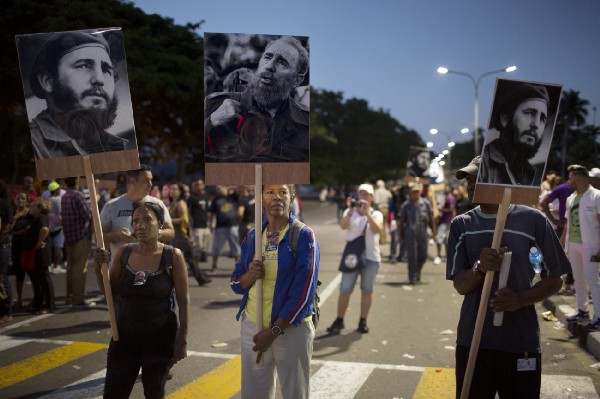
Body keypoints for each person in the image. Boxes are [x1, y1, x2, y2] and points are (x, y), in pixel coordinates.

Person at [447, 156, 570, 398]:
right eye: (469, 180)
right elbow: (460, 285)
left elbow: (555, 278)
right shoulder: (461, 225)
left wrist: (520, 300)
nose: (470, 185)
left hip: (520, 343)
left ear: (499, 182)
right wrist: (480, 268)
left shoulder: (533, 220)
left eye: (477, 180)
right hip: (473, 342)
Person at [230, 184, 319, 399]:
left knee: (294, 392)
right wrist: (250, 276)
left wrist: (274, 332)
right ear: (261, 199)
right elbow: (235, 283)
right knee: (254, 393)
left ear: (292, 198)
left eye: (283, 192)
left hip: (290, 329)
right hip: (253, 325)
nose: (276, 197)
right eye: (270, 192)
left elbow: (303, 294)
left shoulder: (304, 235)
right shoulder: (252, 237)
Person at [93, 201, 189, 398]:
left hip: (160, 337)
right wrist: (97, 267)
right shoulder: (124, 253)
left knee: (153, 391)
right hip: (124, 335)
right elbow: (109, 294)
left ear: (160, 223)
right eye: (135, 220)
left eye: (147, 219)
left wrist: (182, 341)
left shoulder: (173, 256)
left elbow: (184, 302)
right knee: (114, 392)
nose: (140, 225)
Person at [27, 31, 133, 158]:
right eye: (83, 66)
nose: (100, 79)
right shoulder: (32, 144)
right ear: (48, 81)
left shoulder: (118, 146)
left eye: (106, 70)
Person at [205, 36, 309, 163]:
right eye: (267, 57)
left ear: (297, 80)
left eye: (282, 62)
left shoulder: (306, 122)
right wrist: (211, 122)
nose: (269, 66)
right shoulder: (214, 105)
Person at [327, 183, 383, 334]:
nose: (363, 197)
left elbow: (377, 229)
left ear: (372, 197)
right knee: (345, 289)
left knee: (367, 290)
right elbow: (343, 226)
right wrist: (351, 210)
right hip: (352, 256)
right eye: (361, 194)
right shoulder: (349, 212)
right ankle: (339, 320)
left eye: (366, 194)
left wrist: (367, 214)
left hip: (371, 257)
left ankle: (362, 321)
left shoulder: (376, 214)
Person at [479, 83, 550, 186]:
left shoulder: (531, 173)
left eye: (542, 119)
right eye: (529, 113)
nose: (536, 124)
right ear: (505, 119)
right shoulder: (482, 164)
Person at [100, 165, 175, 257]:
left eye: (151, 180)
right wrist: (117, 235)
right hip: (121, 268)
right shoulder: (111, 206)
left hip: (151, 266)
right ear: (132, 182)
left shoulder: (157, 204)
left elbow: (171, 232)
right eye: (146, 181)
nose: (151, 184)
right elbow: (98, 237)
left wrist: (155, 233)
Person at [561, 165, 600, 330]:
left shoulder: (596, 196)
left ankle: (598, 316)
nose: (569, 181)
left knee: (593, 280)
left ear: (579, 178)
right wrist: (562, 241)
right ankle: (582, 310)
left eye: (571, 178)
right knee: (578, 279)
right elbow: (567, 223)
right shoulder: (571, 198)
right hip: (575, 244)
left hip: (591, 245)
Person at [168, 183, 210, 286]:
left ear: (180, 192)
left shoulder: (181, 203)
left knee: (175, 258)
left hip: (181, 236)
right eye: (171, 189)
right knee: (189, 258)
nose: (172, 191)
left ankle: (172, 279)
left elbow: (184, 220)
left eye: (175, 189)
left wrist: (169, 221)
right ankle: (200, 278)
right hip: (177, 236)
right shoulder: (174, 203)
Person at [61, 176, 93, 307]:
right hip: (81, 236)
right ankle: (78, 299)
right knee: (80, 269)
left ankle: (69, 297)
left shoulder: (65, 196)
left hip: (69, 237)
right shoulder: (78, 196)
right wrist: (92, 207)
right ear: (76, 181)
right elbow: (87, 215)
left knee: (71, 268)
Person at [23, 198, 55, 314]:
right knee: (38, 279)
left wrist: (38, 243)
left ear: (39, 208)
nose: (31, 207)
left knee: (44, 278)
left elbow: (44, 229)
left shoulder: (41, 217)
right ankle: (38, 303)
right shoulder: (35, 218)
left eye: (33, 206)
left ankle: (49, 305)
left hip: (41, 253)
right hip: (37, 253)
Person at [398, 183, 433, 284]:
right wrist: (400, 237)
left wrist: (434, 231)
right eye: (413, 192)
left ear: (420, 192)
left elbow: (431, 218)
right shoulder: (406, 205)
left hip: (423, 233)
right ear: (410, 193)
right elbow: (401, 222)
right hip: (410, 234)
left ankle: (417, 272)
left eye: (417, 192)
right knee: (412, 257)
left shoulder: (425, 203)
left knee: (423, 256)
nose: (415, 194)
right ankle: (412, 277)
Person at [209, 185, 242, 270]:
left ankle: (238, 265)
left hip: (232, 226)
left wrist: (228, 188)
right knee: (216, 247)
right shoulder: (215, 199)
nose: (218, 190)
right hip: (220, 227)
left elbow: (238, 188)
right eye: (217, 189)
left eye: (220, 188)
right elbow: (211, 213)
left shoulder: (233, 197)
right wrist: (210, 225)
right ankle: (214, 264)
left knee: (235, 248)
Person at [10, 192, 31, 309]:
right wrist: (15, 218)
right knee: (19, 274)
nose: (20, 200)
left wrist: (15, 233)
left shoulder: (30, 212)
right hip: (16, 245)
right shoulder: (13, 213)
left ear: (27, 200)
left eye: (22, 198)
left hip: (27, 246)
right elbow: (8, 229)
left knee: (32, 273)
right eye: (18, 198)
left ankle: (36, 299)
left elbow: (29, 229)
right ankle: (20, 299)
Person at [187, 179, 211, 263]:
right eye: (197, 185)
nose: (199, 186)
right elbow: (188, 212)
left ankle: (200, 261)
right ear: (194, 186)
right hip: (196, 226)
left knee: (205, 246)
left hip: (206, 225)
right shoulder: (192, 198)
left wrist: (210, 224)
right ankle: (195, 265)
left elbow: (208, 211)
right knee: (198, 247)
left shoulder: (206, 196)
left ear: (203, 185)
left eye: (200, 184)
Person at [0, 180, 13, 323]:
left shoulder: (4, 205)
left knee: (3, 278)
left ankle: (7, 311)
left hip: (2, 246)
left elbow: (5, 229)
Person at [46, 181, 66, 274]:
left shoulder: (47, 199)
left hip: (49, 225)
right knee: (58, 246)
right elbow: (60, 212)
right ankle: (56, 266)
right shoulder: (58, 199)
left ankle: (49, 265)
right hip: (58, 225)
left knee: (50, 247)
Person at [434, 186, 456, 265]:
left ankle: (439, 256)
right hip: (447, 221)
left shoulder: (450, 198)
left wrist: (441, 209)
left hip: (446, 221)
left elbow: (451, 209)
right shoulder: (451, 198)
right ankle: (446, 256)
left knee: (439, 238)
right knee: (447, 239)